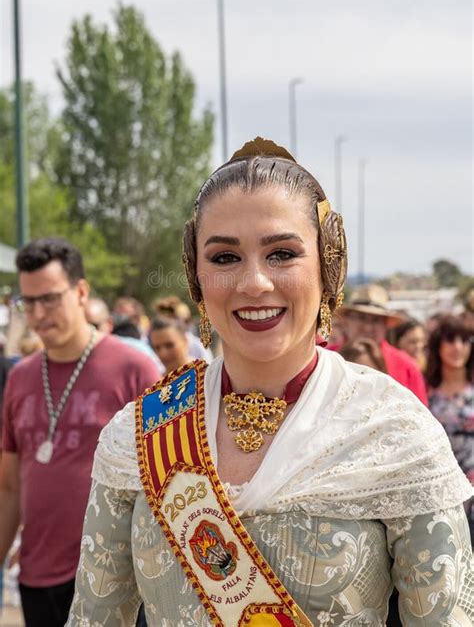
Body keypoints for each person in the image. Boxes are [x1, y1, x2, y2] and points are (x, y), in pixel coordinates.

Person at [67, 138, 472, 626]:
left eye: (281, 253)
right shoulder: (135, 437)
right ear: (196, 276)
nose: (254, 282)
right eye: (224, 258)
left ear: (328, 266)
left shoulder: (395, 431)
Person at [0, 237, 159, 627]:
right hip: (36, 576)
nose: (38, 313)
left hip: (115, 578)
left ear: (81, 292)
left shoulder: (134, 369)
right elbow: (9, 485)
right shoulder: (20, 377)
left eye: (50, 298)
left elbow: (165, 481)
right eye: (28, 301)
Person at [339, 284, 429, 405]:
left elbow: (421, 416)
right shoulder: (326, 358)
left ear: (386, 325)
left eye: (376, 320)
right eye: (361, 318)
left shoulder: (407, 367)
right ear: (346, 321)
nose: (368, 327)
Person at [426, 315, 473, 539]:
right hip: (441, 490)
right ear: (438, 346)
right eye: (450, 340)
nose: (458, 347)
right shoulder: (425, 392)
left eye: (464, 341)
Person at [153, 295, 214, 362]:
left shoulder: (197, 346)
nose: (163, 354)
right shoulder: (152, 341)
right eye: (157, 348)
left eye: (169, 345)